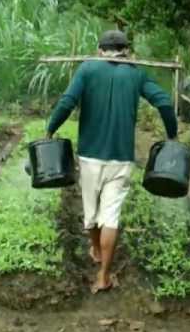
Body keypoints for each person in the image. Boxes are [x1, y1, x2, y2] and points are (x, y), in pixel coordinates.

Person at [46, 30, 178, 293]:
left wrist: (50, 129)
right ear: (126, 50)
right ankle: (103, 276)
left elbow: (67, 101)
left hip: (89, 156)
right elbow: (163, 102)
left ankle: (95, 248)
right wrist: (171, 135)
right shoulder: (136, 72)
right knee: (111, 217)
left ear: (99, 50)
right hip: (122, 159)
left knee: (91, 213)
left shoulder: (87, 69)